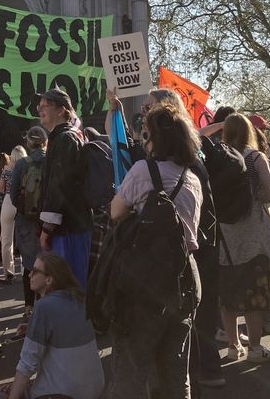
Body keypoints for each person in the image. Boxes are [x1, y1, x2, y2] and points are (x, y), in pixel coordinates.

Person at [108, 103, 203, 398]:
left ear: (154, 139)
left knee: (131, 372)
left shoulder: (142, 171)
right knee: (176, 373)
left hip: (144, 283)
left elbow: (115, 212)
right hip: (185, 278)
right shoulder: (193, 178)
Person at [217, 113, 270, 363]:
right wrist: (255, 199)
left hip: (225, 235)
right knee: (255, 292)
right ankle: (254, 348)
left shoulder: (218, 159)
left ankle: (233, 345)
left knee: (228, 293)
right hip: (254, 233)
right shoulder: (255, 157)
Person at [1, 252, 104, 399]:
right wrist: (32, 327)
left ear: (49, 279)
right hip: (94, 389)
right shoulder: (79, 299)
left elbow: (27, 365)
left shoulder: (44, 306)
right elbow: (64, 329)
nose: (30, 275)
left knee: (1, 393)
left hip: (63, 394)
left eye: (35, 271)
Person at [36, 88, 92, 288]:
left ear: (62, 110)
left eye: (46, 105)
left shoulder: (65, 138)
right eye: (39, 106)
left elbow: (59, 185)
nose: (40, 109)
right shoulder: (64, 137)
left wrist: (47, 228)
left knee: (69, 286)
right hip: (70, 227)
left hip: (69, 229)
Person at [10, 127, 48, 321]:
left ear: (28, 143)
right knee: (48, 262)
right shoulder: (52, 161)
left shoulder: (22, 164)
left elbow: (13, 193)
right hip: (48, 221)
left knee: (28, 266)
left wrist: (25, 208)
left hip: (26, 221)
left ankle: (28, 307)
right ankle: (46, 305)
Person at [0, 145, 25, 282]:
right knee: (25, 236)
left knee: (7, 239)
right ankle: (26, 269)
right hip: (23, 201)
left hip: (9, 201)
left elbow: (1, 188)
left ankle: (8, 271)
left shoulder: (7, 168)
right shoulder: (26, 167)